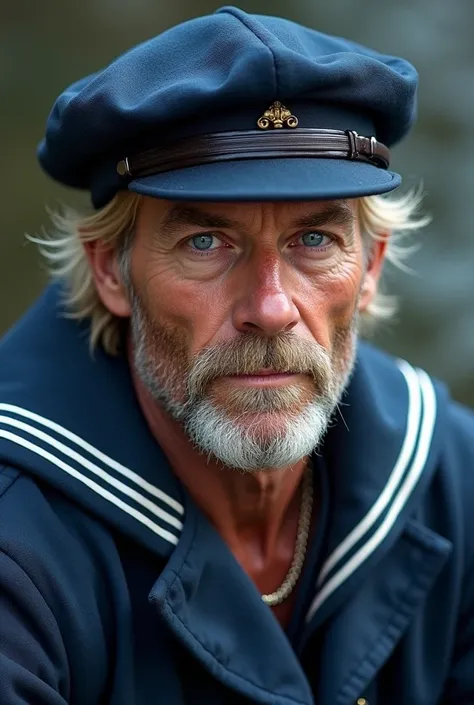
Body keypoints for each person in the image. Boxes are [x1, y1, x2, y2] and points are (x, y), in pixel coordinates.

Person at [0, 6, 473, 704]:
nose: (271, 307)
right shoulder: (19, 549)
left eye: (314, 241)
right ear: (111, 272)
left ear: (370, 267)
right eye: (205, 243)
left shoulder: (452, 479)